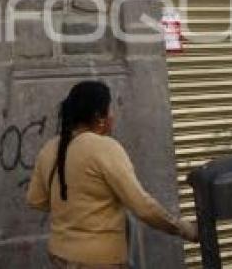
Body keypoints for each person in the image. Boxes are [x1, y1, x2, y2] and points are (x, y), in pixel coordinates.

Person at [27, 81, 198, 269]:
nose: (112, 116)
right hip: (98, 260)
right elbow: (142, 206)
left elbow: (37, 200)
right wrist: (184, 229)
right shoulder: (105, 147)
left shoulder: (49, 148)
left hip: (59, 255)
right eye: (110, 110)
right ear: (99, 117)